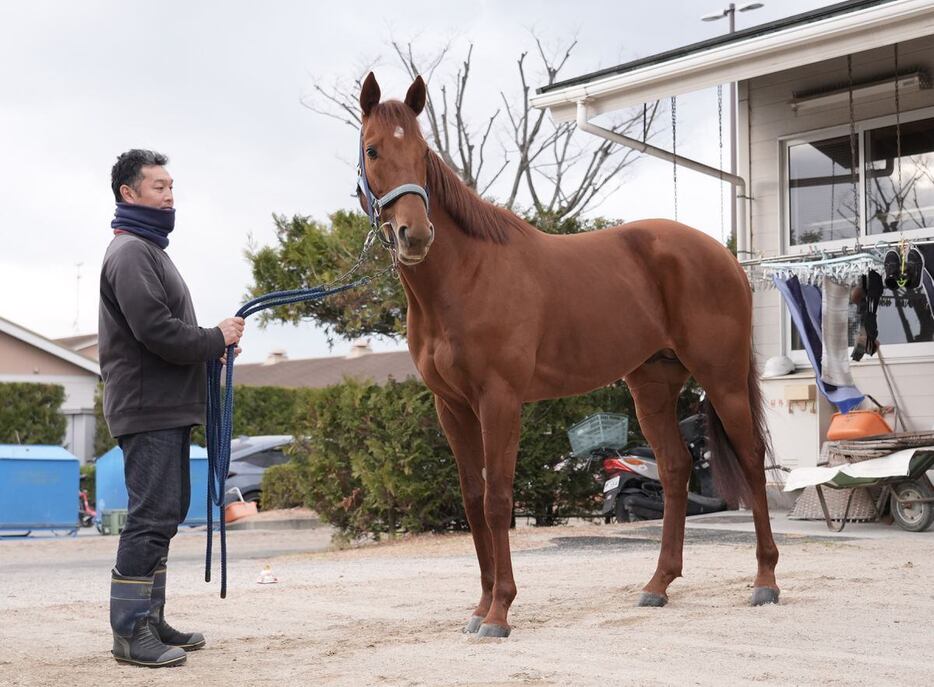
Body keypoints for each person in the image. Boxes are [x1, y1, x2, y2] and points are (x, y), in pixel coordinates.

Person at [99, 149, 244, 667]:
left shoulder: (149, 250)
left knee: (165, 514)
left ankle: (150, 619)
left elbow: (168, 333)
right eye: (158, 187)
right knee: (150, 516)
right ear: (129, 194)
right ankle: (130, 632)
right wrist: (213, 337)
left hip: (165, 406)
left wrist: (212, 344)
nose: (169, 195)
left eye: (171, 186)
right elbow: (157, 332)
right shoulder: (132, 253)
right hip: (148, 407)